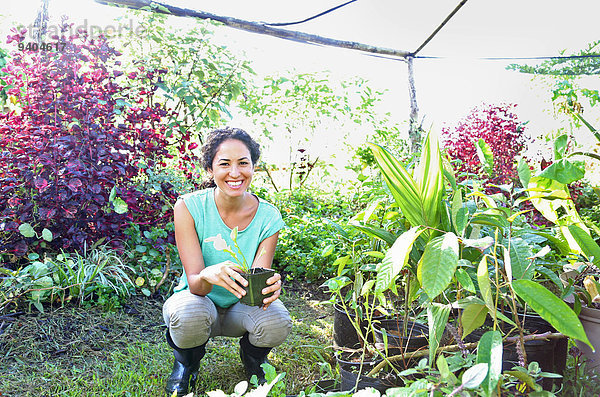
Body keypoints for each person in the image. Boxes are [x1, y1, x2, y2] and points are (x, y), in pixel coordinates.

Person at [162, 127, 292, 396]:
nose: (235, 173)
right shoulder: (189, 207)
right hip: (198, 299)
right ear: (210, 170)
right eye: (224, 164)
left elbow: (255, 286)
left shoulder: (268, 217)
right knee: (187, 314)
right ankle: (187, 363)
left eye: (243, 163)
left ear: (253, 167)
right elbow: (195, 284)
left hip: (239, 308)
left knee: (277, 318)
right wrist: (210, 274)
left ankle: (254, 358)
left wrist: (269, 289)